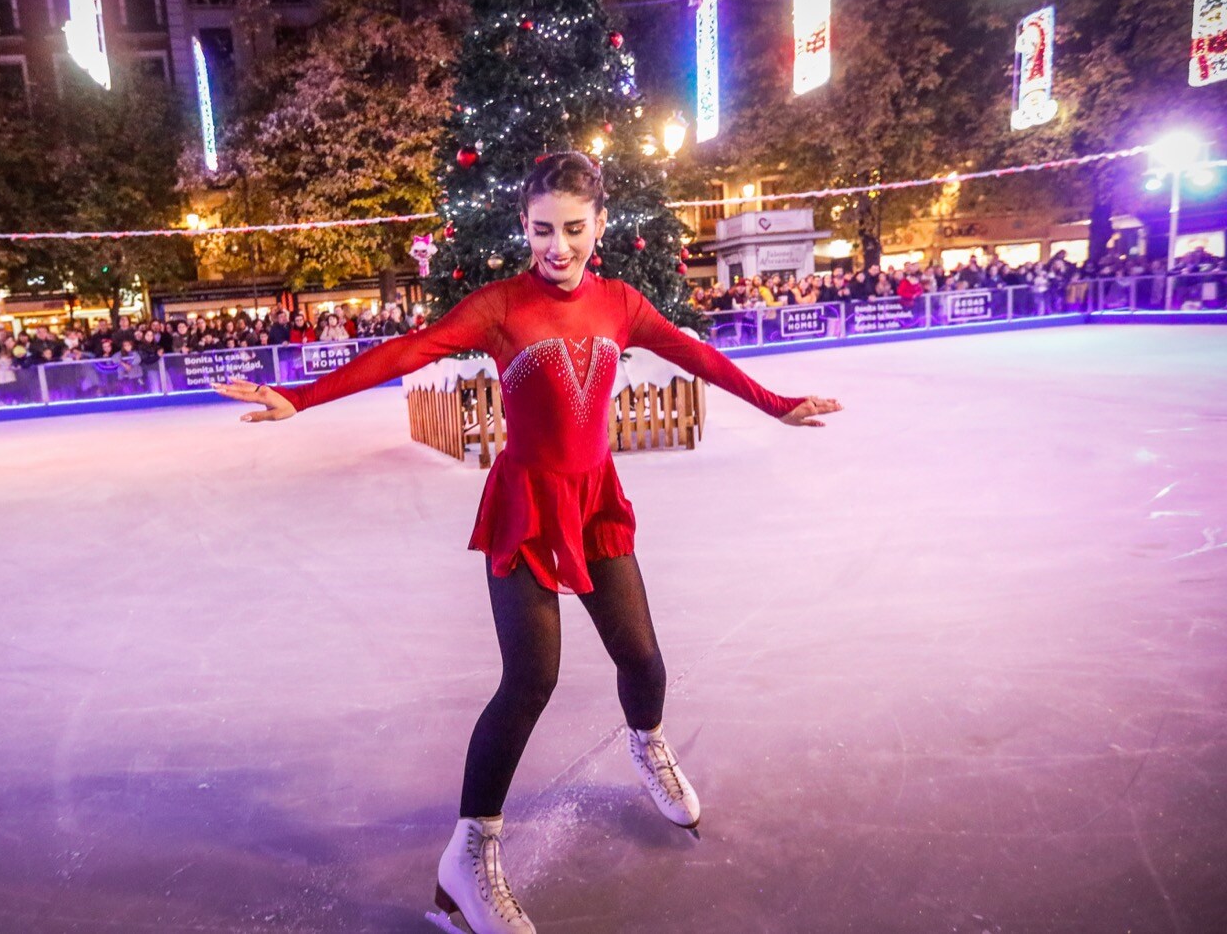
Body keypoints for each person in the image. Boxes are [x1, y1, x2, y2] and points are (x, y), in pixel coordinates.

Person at [213, 152, 841, 934]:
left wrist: (778, 404)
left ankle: (646, 743)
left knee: (642, 660)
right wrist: (300, 398)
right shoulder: (500, 306)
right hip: (525, 507)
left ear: (600, 224)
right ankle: (467, 860)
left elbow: (697, 355)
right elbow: (408, 351)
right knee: (530, 679)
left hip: (594, 504)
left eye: (574, 229)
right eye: (543, 229)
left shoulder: (620, 303)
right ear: (524, 225)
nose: (558, 246)